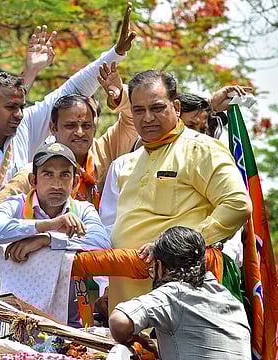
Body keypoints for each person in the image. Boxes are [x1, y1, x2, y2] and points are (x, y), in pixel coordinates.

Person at [0, 4, 137, 231]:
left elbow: (74, 88)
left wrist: (117, 53)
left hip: (16, 244)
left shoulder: (24, 128)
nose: (18, 114)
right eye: (10, 108)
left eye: (21, 107)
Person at [99, 69, 251, 312]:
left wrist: (175, 246)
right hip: (126, 309)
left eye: (157, 108)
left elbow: (237, 205)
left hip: (181, 307)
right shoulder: (127, 163)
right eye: (139, 110)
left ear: (176, 107)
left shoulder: (201, 149)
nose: (147, 118)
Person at [0, 143, 109, 326]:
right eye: (48, 174)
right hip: (9, 319)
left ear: (75, 182)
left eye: (65, 175)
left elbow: (101, 243)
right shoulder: (17, 205)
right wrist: (45, 225)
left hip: (69, 322)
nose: (56, 184)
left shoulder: (83, 210)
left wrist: (46, 239)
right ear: (33, 181)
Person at [0, 75, 136, 211]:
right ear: (53, 128)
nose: (80, 132)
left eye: (86, 125)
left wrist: (120, 95)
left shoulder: (105, 151)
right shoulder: (34, 172)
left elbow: (132, 119)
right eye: (70, 126)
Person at [108, 226, 251, 360]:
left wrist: (139, 340)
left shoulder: (174, 294)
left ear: (160, 267)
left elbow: (118, 322)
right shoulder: (230, 299)